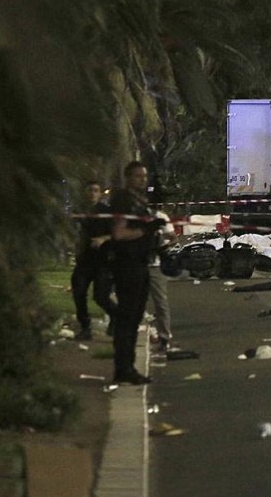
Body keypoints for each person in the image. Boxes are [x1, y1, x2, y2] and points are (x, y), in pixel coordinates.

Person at [108, 161, 163, 385]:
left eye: (144, 176)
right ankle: (124, 368)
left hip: (141, 262)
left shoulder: (140, 201)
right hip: (127, 265)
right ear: (128, 177)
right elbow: (119, 234)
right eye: (138, 176)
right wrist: (145, 230)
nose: (143, 180)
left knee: (134, 318)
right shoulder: (123, 200)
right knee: (127, 319)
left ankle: (128, 366)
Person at [70, 180, 118, 340]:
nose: (92, 193)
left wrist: (103, 239)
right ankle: (85, 327)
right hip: (84, 259)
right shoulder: (79, 211)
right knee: (78, 291)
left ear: (100, 193)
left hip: (103, 260)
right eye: (89, 190)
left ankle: (116, 316)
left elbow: (117, 233)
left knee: (101, 296)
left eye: (95, 190)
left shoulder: (106, 211)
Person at [147, 210, 177, 353]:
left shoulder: (159, 216)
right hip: (135, 264)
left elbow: (173, 238)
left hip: (155, 266)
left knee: (160, 302)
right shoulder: (130, 214)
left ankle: (164, 337)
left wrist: (161, 247)